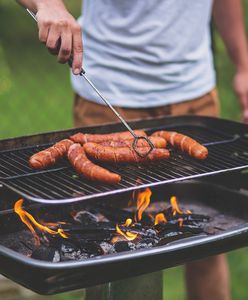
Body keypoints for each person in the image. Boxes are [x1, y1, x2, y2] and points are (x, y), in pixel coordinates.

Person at [17, 1, 248, 299]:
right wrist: (48, 5)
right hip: (108, 94)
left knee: (208, 241)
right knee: (106, 248)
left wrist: (243, 64)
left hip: (194, 93)